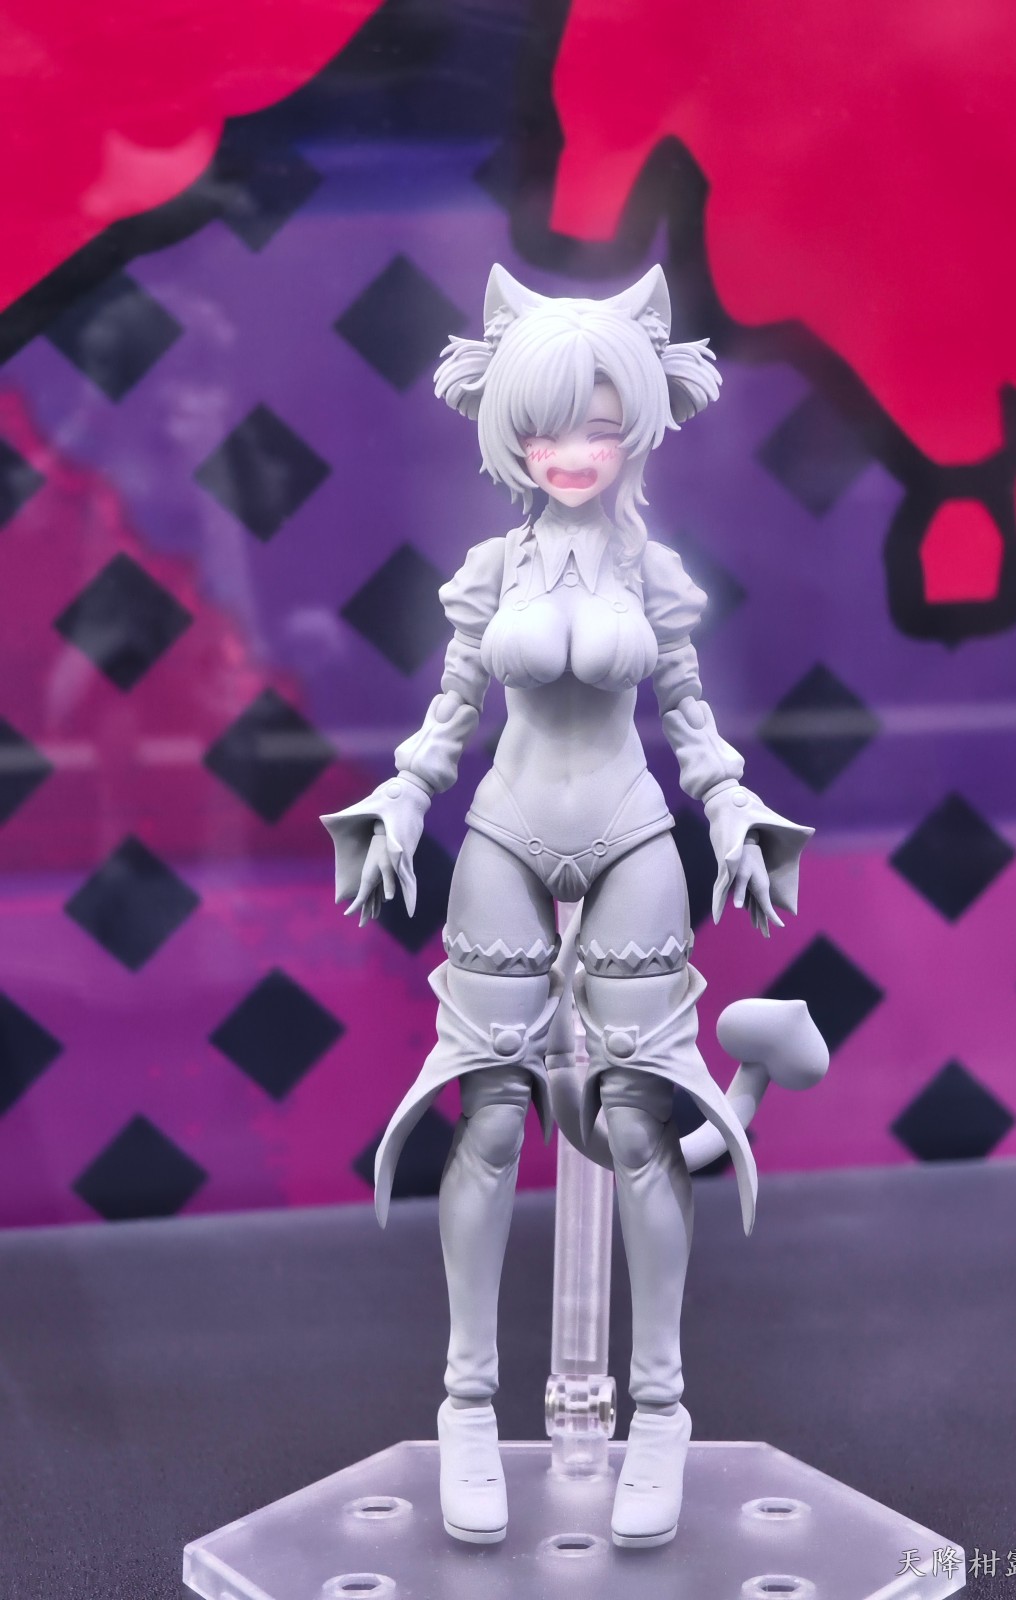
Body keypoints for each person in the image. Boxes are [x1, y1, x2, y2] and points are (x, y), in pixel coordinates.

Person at [321, 264, 810, 1550]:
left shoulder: (656, 570)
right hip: (505, 832)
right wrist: (400, 805)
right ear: (507, 429)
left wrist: (736, 813)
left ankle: (661, 1411)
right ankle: (466, 1403)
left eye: (598, 424)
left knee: (641, 1122)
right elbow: (449, 718)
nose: (573, 451)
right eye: (546, 428)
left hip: (632, 830)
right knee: (487, 1115)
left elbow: (691, 719)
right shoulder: (493, 569)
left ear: (639, 422)